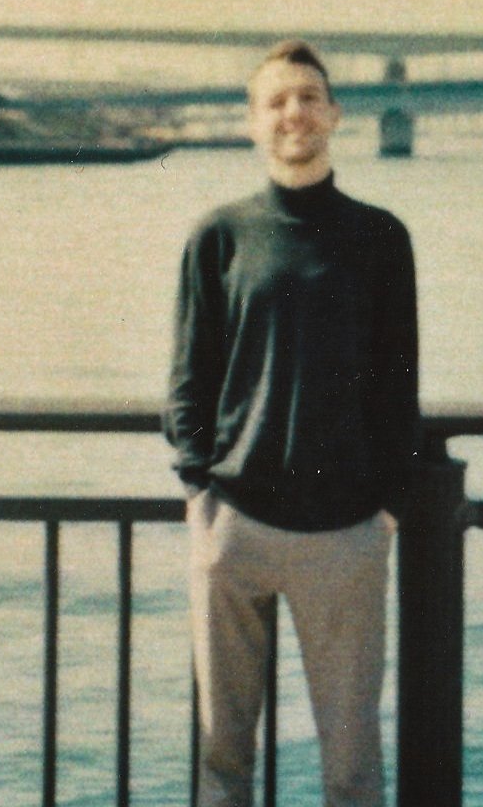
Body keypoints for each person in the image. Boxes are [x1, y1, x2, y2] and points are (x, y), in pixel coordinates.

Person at [165, 39, 423, 807]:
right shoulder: (219, 237)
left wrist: (383, 509)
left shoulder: (380, 238)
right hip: (235, 529)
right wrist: (198, 495)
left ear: (335, 115)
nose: (294, 113)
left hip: (345, 535)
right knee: (222, 758)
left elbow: (397, 383)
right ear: (253, 122)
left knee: (351, 769)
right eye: (276, 101)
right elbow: (188, 378)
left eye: (309, 97)